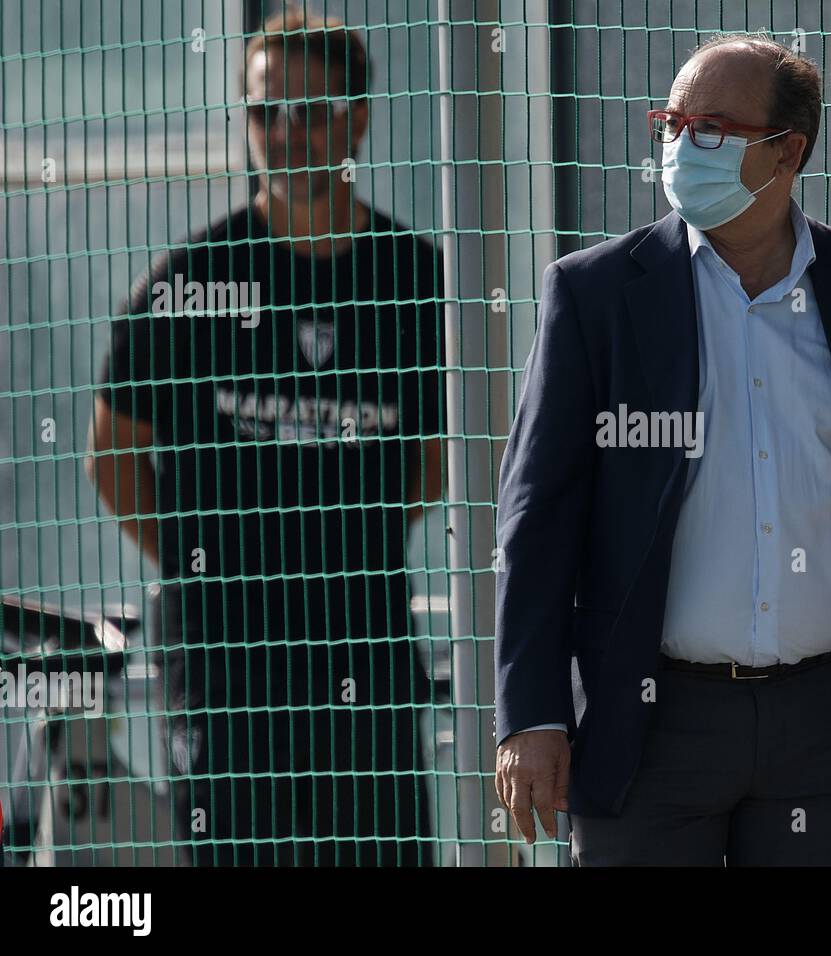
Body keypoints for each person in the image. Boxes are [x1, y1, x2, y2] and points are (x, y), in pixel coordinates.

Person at [494, 31, 831, 865]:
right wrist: (533, 715)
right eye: (671, 123)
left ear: (787, 151)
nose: (680, 146)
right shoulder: (594, 297)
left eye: (711, 128)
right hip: (650, 721)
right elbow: (537, 519)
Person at [85, 8, 442, 865]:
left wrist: (352, 536)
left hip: (366, 654)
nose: (284, 133)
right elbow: (111, 455)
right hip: (224, 666)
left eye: (311, 113)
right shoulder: (190, 283)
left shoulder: (418, 279)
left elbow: (440, 461)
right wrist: (202, 551)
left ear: (359, 118)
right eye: (263, 112)